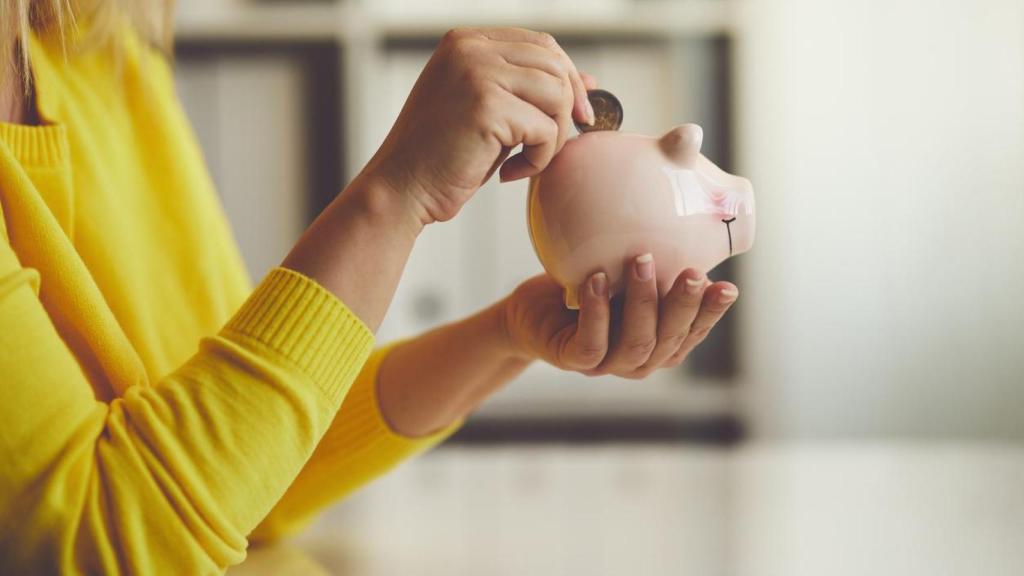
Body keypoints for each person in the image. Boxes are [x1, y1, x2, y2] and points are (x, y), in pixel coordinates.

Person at [0, 3, 739, 573]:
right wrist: (397, 194)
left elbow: (249, 476)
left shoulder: (100, 55)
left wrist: (512, 331)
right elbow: (95, 543)